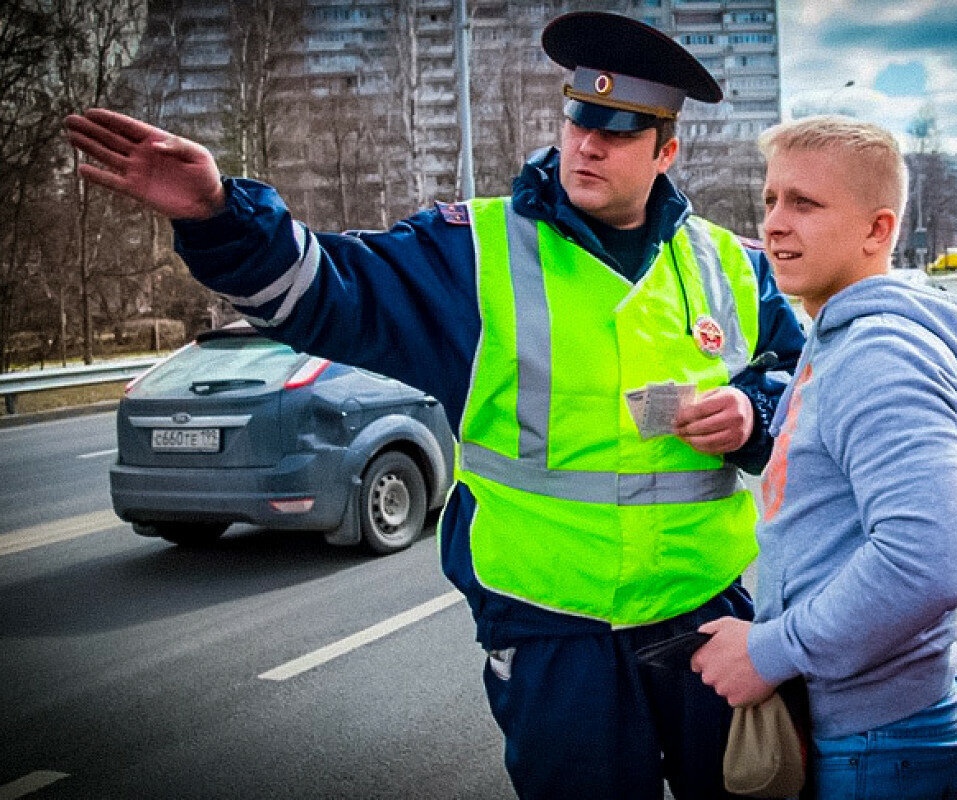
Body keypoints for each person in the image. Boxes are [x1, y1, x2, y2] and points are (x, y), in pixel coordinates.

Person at [65, 12, 804, 799]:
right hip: (553, 628)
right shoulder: (475, 250)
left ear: (666, 150)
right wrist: (216, 213)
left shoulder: (728, 264)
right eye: (580, 119)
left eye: (620, 132)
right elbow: (325, 292)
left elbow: (800, 383)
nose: (588, 144)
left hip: (703, 617)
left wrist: (753, 413)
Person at [691, 116, 957, 799]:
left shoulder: (879, 353)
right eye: (771, 200)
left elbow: (926, 563)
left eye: (805, 203)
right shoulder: (840, 335)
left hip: (877, 743)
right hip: (870, 729)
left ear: (877, 230)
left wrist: (768, 652)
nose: (773, 223)